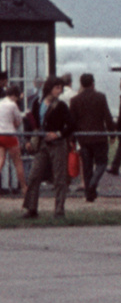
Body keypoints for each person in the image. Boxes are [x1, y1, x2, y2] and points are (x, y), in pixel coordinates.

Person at [21, 77, 74, 219]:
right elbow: (30, 123)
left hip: (57, 144)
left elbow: (70, 125)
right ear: (49, 88)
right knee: (34, 175)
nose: (60, 91)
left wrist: (57, 134)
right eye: (57, 87)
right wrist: (29, 139)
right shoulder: (37, 103)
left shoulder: (61, 105)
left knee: (59, 177)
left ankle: (59, 210)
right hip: (42, 143)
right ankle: (31, 208)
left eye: (61, 88)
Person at [69, 73, 115, 202]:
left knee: (87, 166)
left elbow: (72, 121)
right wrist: (112, 133)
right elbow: (107, 117)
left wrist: (72, 139)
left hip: (83, 138)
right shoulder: (100, 97)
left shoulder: (75, 100)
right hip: (99, 136)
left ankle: (89, 194)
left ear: (81, 84)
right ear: (93, 83)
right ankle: (93, 184)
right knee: (102, 163)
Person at [0, 84, 26, 197]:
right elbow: (18, 120)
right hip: (10, 134)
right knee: (17, 162)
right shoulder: (13, 105)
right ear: (14, 96)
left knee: (1, 160)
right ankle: (24, 187)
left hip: (0, 134)